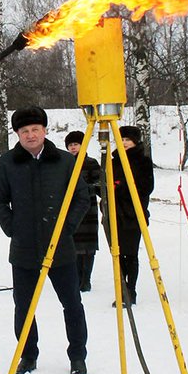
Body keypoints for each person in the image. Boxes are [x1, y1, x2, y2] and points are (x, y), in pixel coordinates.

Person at [0, 106, 89, 374]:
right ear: (18, 135)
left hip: (61, 249)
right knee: (23, 307)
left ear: (45, 131)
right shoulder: (8, 162)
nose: (31, 135)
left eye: (35, 129)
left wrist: (67, 228)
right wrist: (13, 228)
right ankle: (28, 355)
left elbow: (82, 198)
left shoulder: (65, 162)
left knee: (72, 304)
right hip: (24, 250)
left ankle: (78, 357)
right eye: (25, 131)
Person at [110, 125, 155, 306]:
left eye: (127, 140)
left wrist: (122, 187)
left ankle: (131, 290)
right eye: (121, 139)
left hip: (133, 213)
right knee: (118, 254)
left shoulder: (143, 161)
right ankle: (121, 291)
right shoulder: (113, 161)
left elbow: (146, 187)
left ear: (135, 142)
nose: (124, 143)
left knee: (131, 254)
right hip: (115, 214)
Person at [65, 130, 102, 293]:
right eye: (70, 145)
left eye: (76, 144)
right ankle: (76, 278)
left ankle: (86, 279)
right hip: (71, 208)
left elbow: (100, 185)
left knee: (88, 247)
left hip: (89, 208)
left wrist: (85, 188)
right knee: (73, 245)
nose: (73, 148)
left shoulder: (91, 163)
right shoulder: (65, 163)